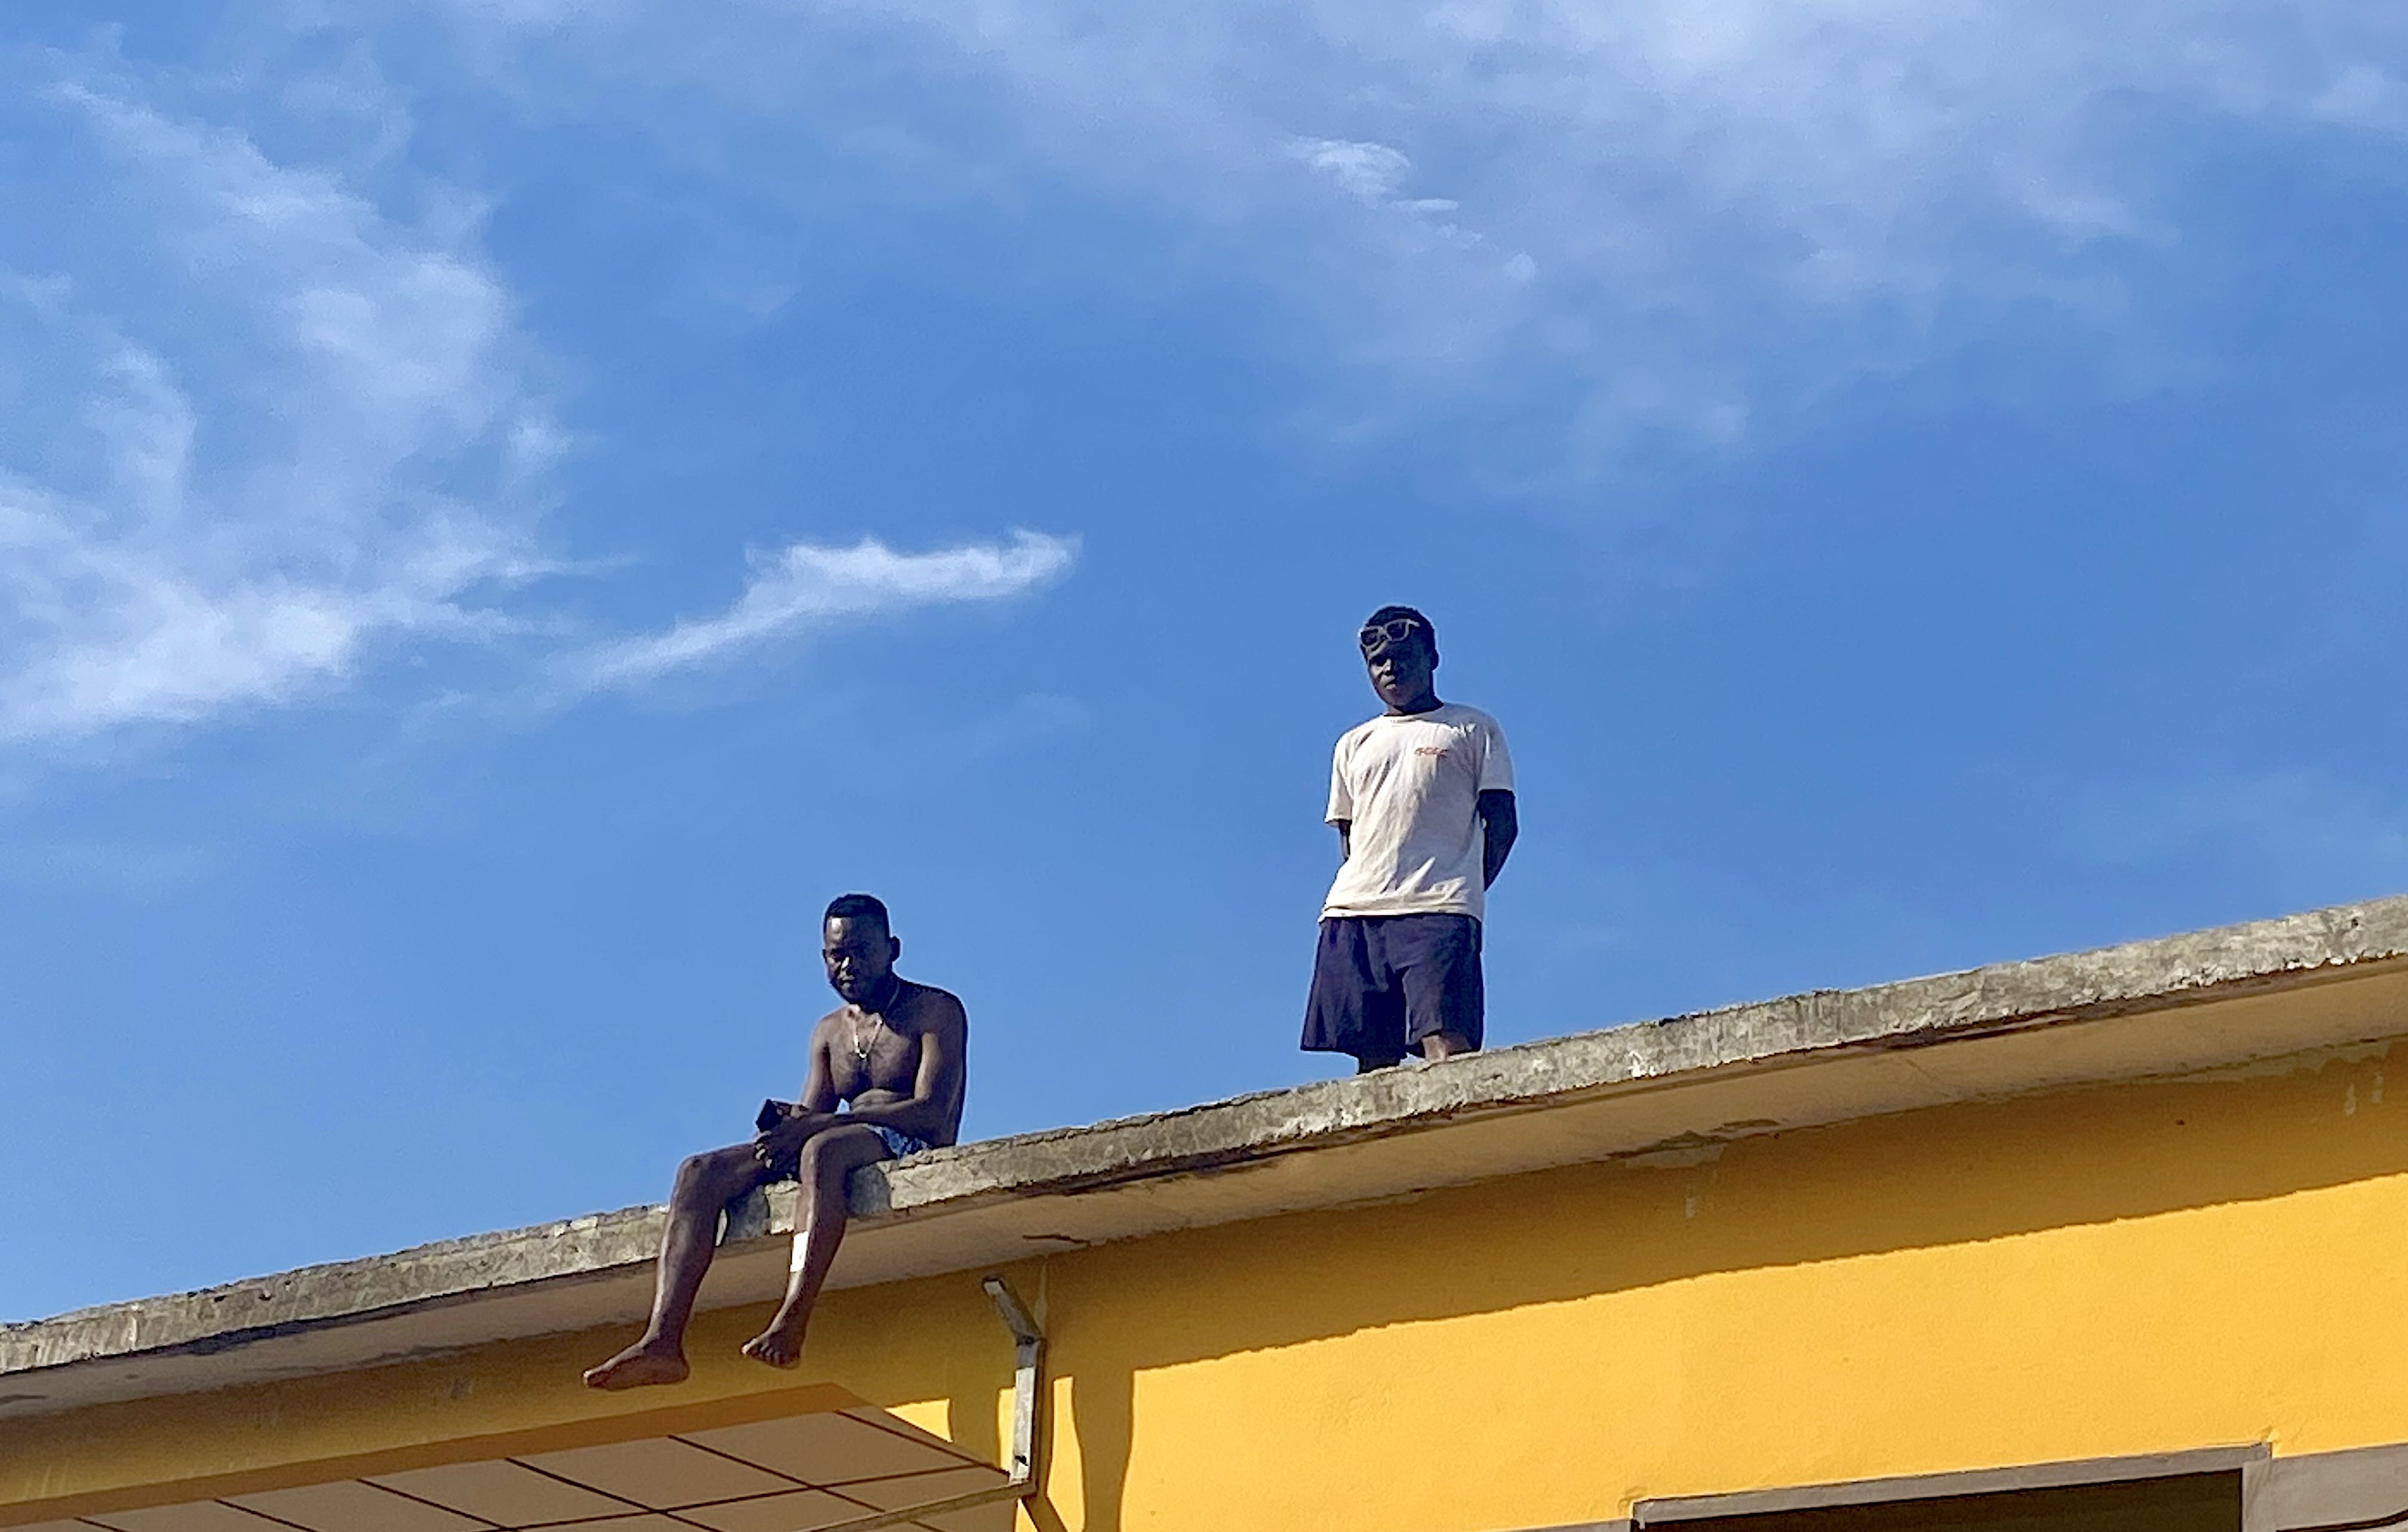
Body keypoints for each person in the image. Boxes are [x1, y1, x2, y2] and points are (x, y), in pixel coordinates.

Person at [583, 893, 968, 1389]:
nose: (848, 966)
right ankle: (662, 1341)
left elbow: (933, 1114)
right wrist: (785, 1129)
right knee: (698, 1172)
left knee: (820, 1151)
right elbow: (816, 1111)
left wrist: (812, 1129)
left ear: (893, 949)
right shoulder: (829, 1031)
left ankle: (792, 1317)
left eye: (862, 952)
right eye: (836, 956)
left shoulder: (935, 1011)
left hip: (906, 1141)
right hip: (835, 1135)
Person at [1302, 606, 1518, 1072]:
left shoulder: (1471, 728)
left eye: (1402, 657)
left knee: (1445, 1045)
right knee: (1372, 1058)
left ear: (1432, 658)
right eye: (1378, 663)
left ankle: (1455, 1140)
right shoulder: (1353, 743)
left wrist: (1461, 884)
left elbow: (1502, 824)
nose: (1390, 669)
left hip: (1438, 907)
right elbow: (1349, 836)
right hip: (1355, 911)